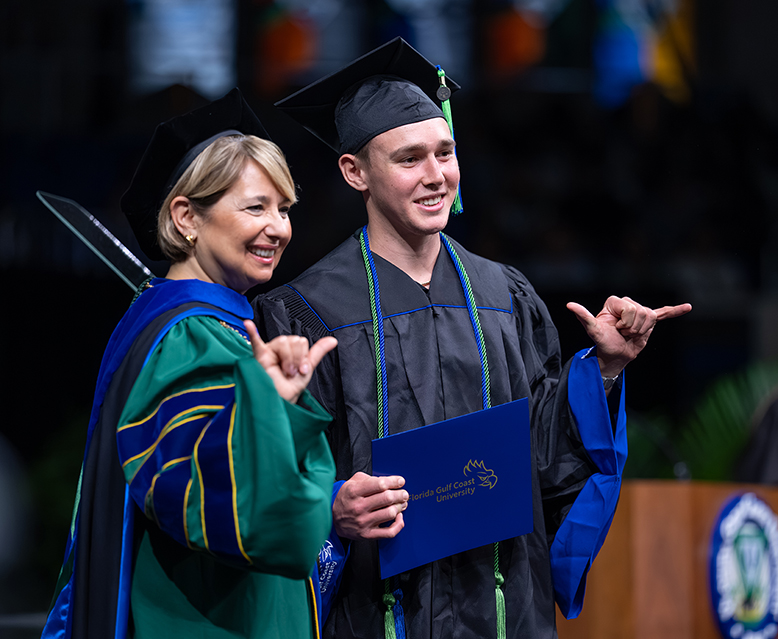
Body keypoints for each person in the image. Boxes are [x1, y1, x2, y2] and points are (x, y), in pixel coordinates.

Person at [252, 38, 691, 639]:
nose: (437, 177)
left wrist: (605, 369)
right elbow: (270, 468)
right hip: (372, 608)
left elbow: (544, 452)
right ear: (356, 173)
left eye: (446, 152)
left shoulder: (501, 295)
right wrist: (329, 507)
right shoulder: (306, 310)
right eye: (409, 159)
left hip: (502, 605)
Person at [41, 88, 338, 639]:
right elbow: (260, 521)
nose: (279, 228)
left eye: (285, 208)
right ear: (186, 218)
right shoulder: (191, 339)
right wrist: (271, 412)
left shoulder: (180, 322)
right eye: (256, 207)